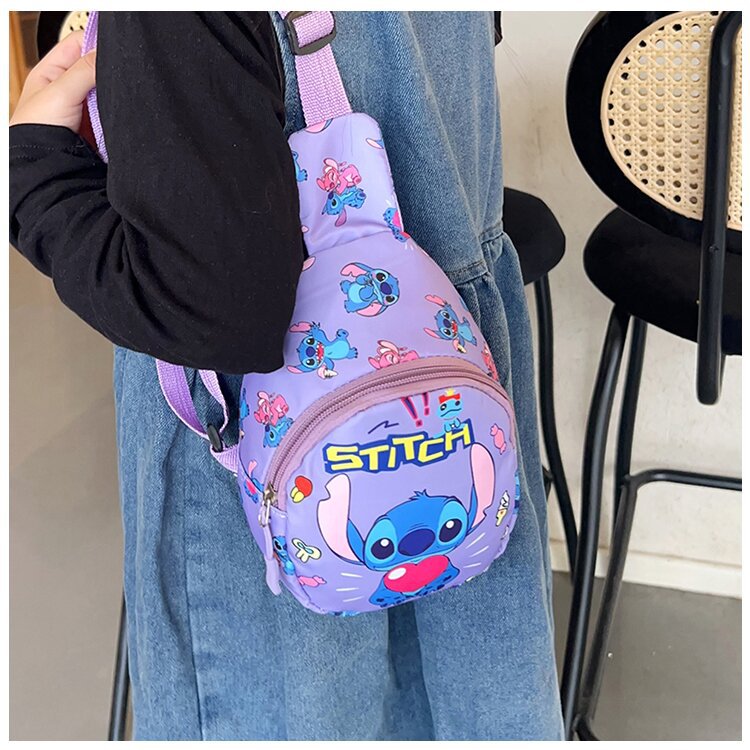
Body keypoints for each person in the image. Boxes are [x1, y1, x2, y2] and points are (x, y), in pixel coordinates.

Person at [10, 11, 563, 740]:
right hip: (450, 370)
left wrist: (37, 175)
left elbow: (206, 307)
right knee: (458, 707)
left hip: (259, 425)